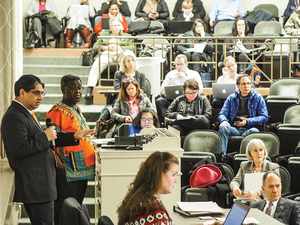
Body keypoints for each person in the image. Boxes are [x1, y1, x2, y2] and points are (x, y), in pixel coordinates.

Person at [1, 74, 95, 225]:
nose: (40, 97)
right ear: (22, 92)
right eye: (36, 93)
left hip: (43, 185)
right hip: (36, 186)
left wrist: (75, 135)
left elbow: (51, 137)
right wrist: (45, 136)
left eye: (42, 93)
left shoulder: (26, 112)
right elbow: (19, 149)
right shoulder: (14, 116)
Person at [46, 75, 96, 224]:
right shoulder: (56, 111)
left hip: (82, 169)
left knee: (76, 208)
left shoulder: (76, 108)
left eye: (79, 88)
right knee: (66, 209)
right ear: (63, 89)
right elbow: (54, 139)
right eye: (72, 88)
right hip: (68, 171)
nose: (77, 91)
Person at [117, 151, 179, 225]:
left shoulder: (139, 198)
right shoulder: (152, 210)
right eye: (173, 174)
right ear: (159, 175)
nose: (176, 180)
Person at [218, 74, 269, 155]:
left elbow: (264, 117)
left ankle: (245, 157)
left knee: (254, 131)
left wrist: (248, 121)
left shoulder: (258, 97)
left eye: (248, 83)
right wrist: (224, 121)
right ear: (238, 86)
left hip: (250, 128)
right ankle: (222, 156)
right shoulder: (232, 98)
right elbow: (222, 113)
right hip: (234, 128)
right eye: (244, 84)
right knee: (223, 128)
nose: (246, 86)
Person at [85, 18, 134, 99]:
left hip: (121, 54)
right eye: (114, 26)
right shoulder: (104, 34)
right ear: (110, 27)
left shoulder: (126, 36)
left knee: (127, 58)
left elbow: (132, 48)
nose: (117, 27)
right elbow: (95, 46)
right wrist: (106, 47)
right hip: (107, 53)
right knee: (97, 64)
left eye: (118, 25)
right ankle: (90, 89)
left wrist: (120, 47)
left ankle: (128, 86)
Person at [156, 54, 203, 124]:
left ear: (186, 64)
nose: (179, 67)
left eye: (181, 64)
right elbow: (162, 91)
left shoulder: (194, 74)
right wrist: (173, 80)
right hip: (172, 100)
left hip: (189, 99)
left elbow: (201, 90)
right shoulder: (170, 74)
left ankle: (185, 121)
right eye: (177, 64)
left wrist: (186, 78)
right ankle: (167, 121)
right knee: (160, 101)